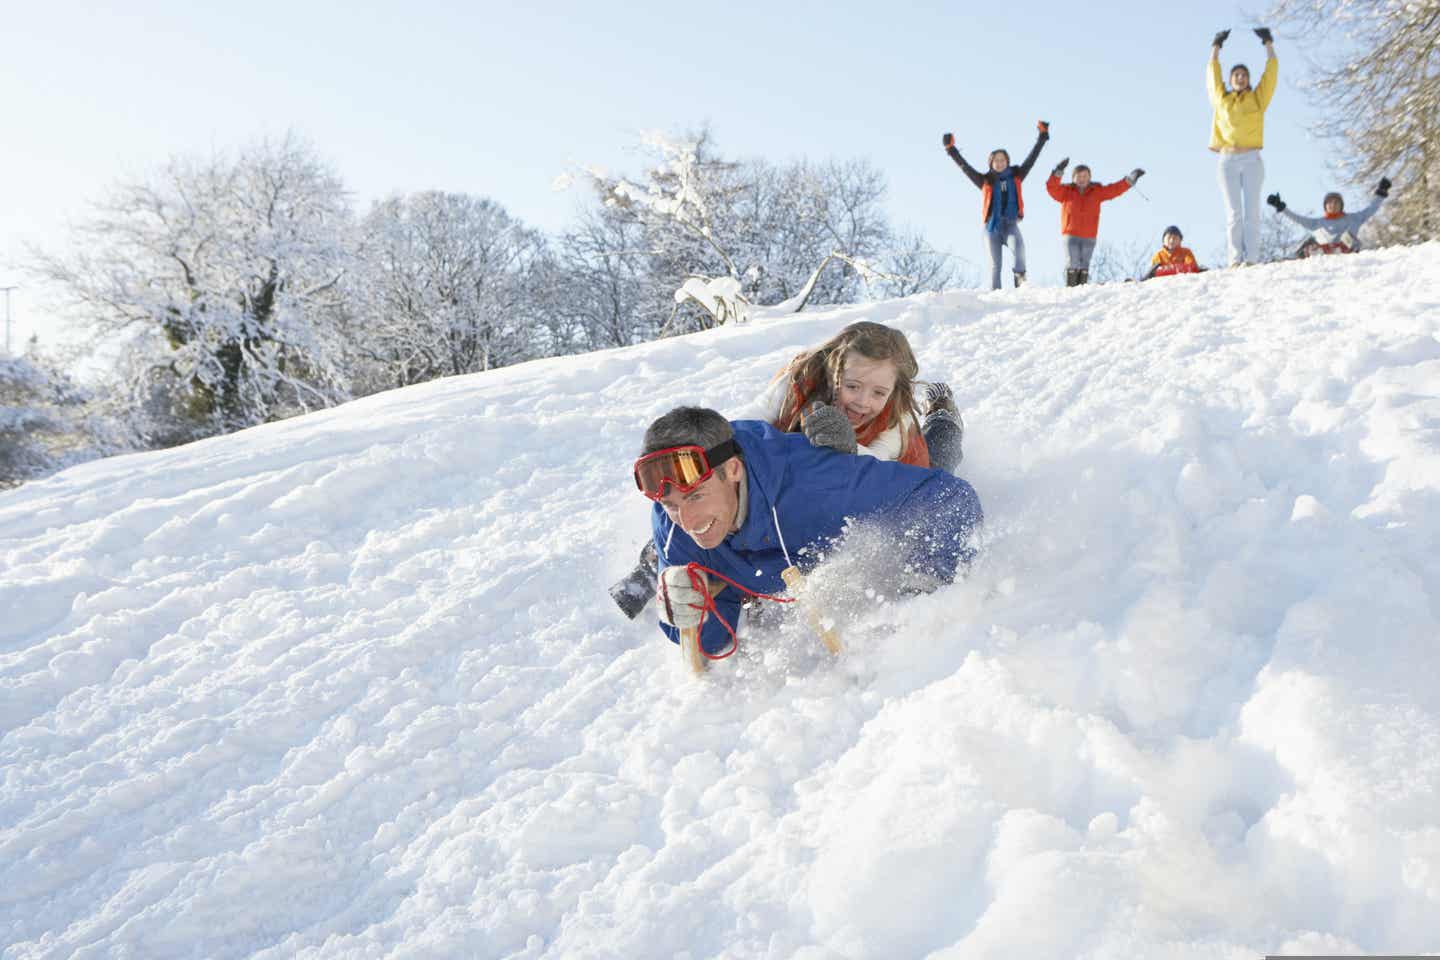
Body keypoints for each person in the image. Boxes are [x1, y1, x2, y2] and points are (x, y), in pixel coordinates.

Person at [611, 321, 965, 618]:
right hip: (785, 471)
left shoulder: (894, 422)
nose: (861, 401)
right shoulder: (800, 382)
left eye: (877, 392)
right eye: (852, 386)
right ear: (834, 372)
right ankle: (651, 567)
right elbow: (744, 427)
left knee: (940, 463)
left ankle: (943, 416)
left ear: (893, 392)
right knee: (700, 493)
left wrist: (846, 450)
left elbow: (867, 479)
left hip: (878, 467)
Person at [635, 406, 983, 656]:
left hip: (864, 467)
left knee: (927, 459)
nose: (688, 519)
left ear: (734, 470)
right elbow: (711, 642)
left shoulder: (819, 486)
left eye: (696, 495)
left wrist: (922, 588)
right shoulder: (670, 524)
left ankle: (943, 420)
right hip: (780, 546)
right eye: (671, 503)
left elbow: (950, 498)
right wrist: (684, 616)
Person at [943, 121, 1051, 290]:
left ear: (1007, 162)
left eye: (1003, 160)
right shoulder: (985, 181)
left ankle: (1021, 288)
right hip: (991, 227)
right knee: (995, 266)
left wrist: (1042, 138)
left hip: (1010, 225)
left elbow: (1032, 158)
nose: (1000, 163)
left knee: (1020, 253)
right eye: (996, 161)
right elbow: (965, 167)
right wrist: (951, 150)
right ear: (991, 163)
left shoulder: (1017, 176)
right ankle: (996, 298)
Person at [1208, 27, 1278, 266]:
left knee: (1252, 212)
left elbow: (1270, 75)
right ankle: (1235, 259)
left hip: (1251, 159)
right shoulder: (1222, 99)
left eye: (1244, 75)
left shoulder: (1257, 98)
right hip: (1227, 160)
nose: (1240, 78)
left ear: (1248, 79)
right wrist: (1216, 47)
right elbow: (1212, 75)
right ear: (1230, 80)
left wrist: (1268, 44)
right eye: (1236, 75)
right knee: (1234, 214)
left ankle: (1253, 258)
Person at [1045, 159, 1145, 286]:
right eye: (1079, 176)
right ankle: (1070, 290)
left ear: (1090, 178)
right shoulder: (1066, 192)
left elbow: (1114, 189)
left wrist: (1130, 179)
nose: (1082, 179)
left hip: (1089, 236)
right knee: (1072, 263)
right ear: (1073, 178)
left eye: (1085, 176)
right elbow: (1052, 188)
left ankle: (1081, 290)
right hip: (1071, 235)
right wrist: (1058, 172)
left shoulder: (1097, 191)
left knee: (1084, 265)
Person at [1266, 178, 1392, 255]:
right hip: (1326, 249)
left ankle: (1342, 251)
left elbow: (1370, 209)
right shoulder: (1319, 222)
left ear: (1341, 205)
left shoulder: (1353, 218)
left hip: (1347, 249)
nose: (1333, 205)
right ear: (1325, 206)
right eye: (1330, 203)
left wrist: (1381, 193)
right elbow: (1298, 219)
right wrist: (1282, 208)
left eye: (1336, 202)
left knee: (1348, 235)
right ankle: (1313, 255)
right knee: (1313, 237)